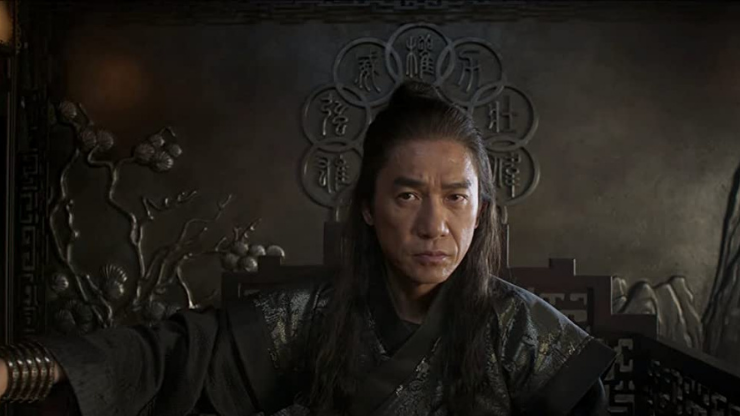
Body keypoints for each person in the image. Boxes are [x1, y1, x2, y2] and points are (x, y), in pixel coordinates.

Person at [0, 82, 615, 415]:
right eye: (407, 196)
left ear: (480, 212)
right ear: (368, 208)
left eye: (456, 197)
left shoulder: (521, 329)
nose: (434, 225)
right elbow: (172, 356)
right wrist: (21, 371)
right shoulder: (312, 315)